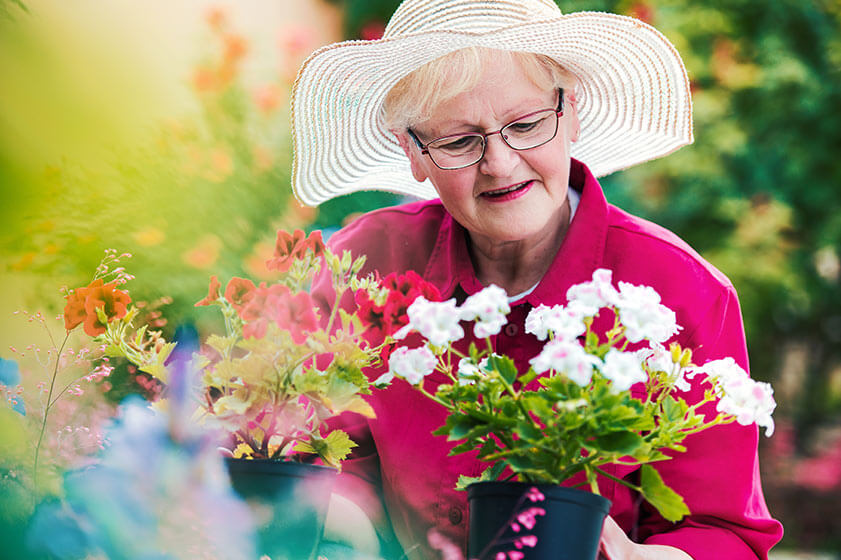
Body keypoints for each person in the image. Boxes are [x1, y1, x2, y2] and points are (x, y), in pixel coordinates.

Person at [294, 0, 784, 558]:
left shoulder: (681, 290)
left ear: (570, 112)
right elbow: (333, 464)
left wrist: (633, 556)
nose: (500, 164)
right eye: (458, 141)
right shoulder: (368, 263)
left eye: (526, 125)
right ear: (414, 153)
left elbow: (723, 534)